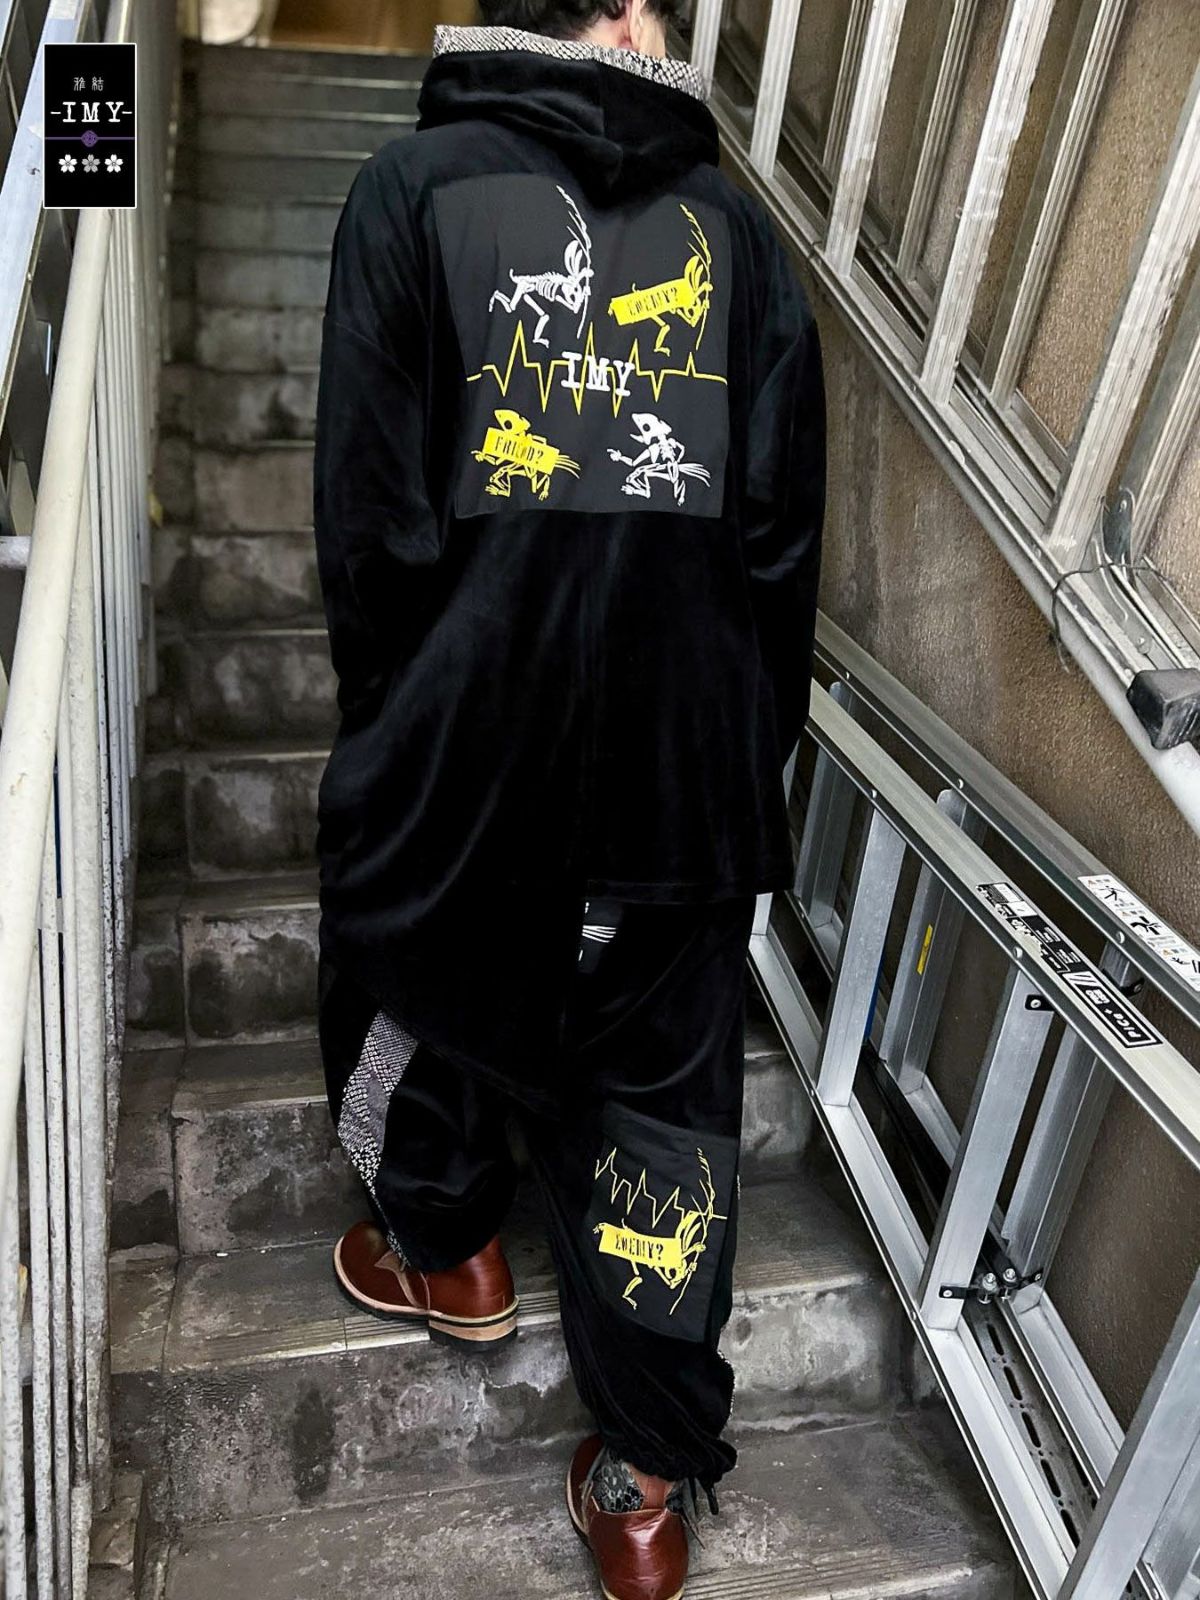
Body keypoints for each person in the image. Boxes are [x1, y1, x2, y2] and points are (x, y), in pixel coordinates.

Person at [313, 1, 825, 1595]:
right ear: (629, 21)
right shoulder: (741, 239)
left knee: (427, 977)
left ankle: (451, 1250)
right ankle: (646, 1484)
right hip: (685, 778)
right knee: (665, 1110)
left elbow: (371, 524)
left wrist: (404, 727)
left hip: (476, 745)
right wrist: (734, 753)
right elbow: (780, 547)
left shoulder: (410, 195)